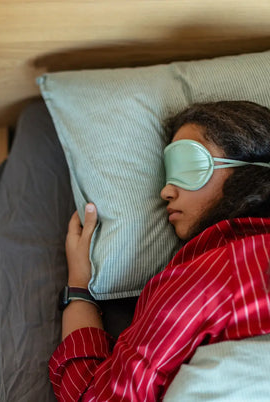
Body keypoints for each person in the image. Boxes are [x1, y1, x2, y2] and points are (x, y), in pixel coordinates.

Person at [49, 101, 270, 401]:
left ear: (250, 170)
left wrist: (78, 286)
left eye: (187, 165)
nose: (166, 191)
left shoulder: (206, 277)